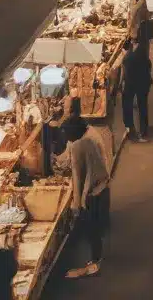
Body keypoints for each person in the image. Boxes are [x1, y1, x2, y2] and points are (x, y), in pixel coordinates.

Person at [64, 119, 110, 279]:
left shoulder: (77, 146)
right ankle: (97, 258)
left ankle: (94, 263)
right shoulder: (89, 140)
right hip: (102, 189)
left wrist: (76, 203)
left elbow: (77, 177)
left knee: (91, 229)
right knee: (96, 227)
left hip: (92, 194)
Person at [120, 27, 151, 142]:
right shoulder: (136, 49)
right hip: (135, 81)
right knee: (138, 105)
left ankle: (138, 131)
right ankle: (135, 129)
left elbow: (147, 66)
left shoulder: (137, 52)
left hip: (136, 82)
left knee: (138, 105)